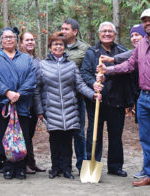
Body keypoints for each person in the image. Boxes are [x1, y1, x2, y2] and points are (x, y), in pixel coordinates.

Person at [98, 8, 150, 189]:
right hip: (143, 98)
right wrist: (109, 70)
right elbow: (129, 65)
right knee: (147, 138)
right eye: (144, 20)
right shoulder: (142, 44)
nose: (147, 23)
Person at [34, 32, 101, 180]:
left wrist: (93, 94)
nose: (58, 47)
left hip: (70, 109)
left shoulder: (71, 66)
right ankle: (55, 168)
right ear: (50, 47)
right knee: (54, 141)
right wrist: (39, 110)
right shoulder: (42, 65)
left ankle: (67, 169)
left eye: (61, 45)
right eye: (55, 44)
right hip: (51, 109)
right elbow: (37, 89)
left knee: (67, 142)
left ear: (64, 48)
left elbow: (80, 85)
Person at [81, 21, 133, 177]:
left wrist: (129, 100)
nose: (107, 34)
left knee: (116, 136)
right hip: (97, 101)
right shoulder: (91, 52)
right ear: (99, 34)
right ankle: (93, 163)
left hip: (117, 100)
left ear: (115, 34)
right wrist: (93, 84)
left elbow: (128, 74)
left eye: (110, 31)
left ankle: (115, 166)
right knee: (93, 135)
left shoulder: (122, 51)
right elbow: (84, 73)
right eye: (104, 31)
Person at [0, 27, 36, 180]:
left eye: (11, 37)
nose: (8, 39)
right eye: (5, 37)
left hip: (22, 104)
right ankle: (7, 166)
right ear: (1, 40)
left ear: (16, 40)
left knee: (22, 136)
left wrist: (19, 94)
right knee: (4, 137)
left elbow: (31, 79)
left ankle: (20, 167)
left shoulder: (26, 58)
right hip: (3, 104)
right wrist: (7, 92)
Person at [61, 18, 89, 173]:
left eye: (66, 29)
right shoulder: (57, 45)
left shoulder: (84, 48)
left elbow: (87, 71)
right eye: (62, 28)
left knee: (78, 133)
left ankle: (82, 166)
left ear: (75, 31)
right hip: (58, 98)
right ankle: (63, 166)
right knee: (61, 132)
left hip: (77, 98)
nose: (63, 31)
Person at [19, 32, 46, 174]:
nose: (30, 42)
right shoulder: (18, 58)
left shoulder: (37, 60)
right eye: (27, 40)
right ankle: (23, 163)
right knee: (23, 135)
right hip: (23, 102)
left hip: (35, 104)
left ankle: (31, 162)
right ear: (21, 43)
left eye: (32, 39)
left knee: (29, 135)